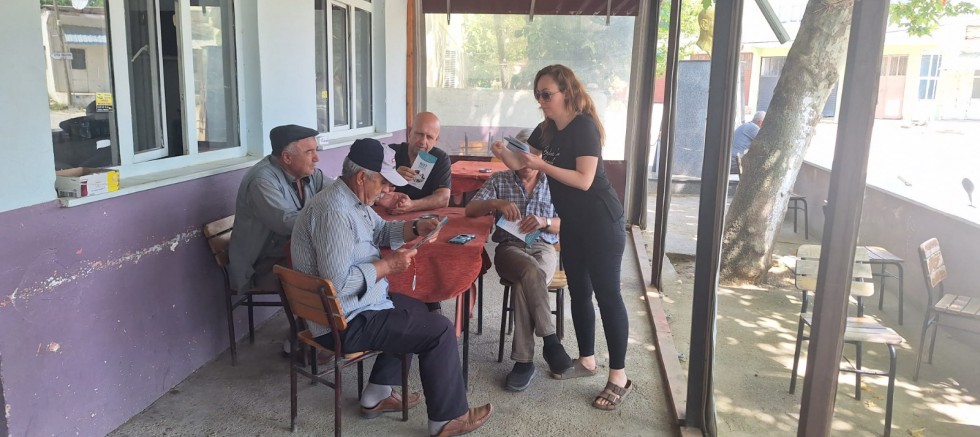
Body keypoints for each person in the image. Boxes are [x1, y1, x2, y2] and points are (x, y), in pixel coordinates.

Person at [290, 138, 493, 437]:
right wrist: (387, 266)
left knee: (419, 309)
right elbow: (338, 284)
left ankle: (377, 394)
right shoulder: (334, 211)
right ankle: (448, 419)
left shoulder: (353, 200)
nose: (387, 190)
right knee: (438, 330)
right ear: (362, 177)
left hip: (354, 309)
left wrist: (416, 227)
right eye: (383, 182)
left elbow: (381, 229)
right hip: (342, 323)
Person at [492, 64, 632, 411]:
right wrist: (502, 153)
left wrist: (542, 166)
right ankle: (587, 360)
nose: (541, 101)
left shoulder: (583, 127)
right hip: (573, 224)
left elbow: (584, 180)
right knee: (580, 293)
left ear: (566, 93)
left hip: (602, 222)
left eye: (546, 94)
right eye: (537, 95)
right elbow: (523, 164)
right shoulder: (546, 129)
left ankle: (619, 377)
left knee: (608, 297)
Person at [464, 141, 571, 392]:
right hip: (509, 249)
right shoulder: (499, 180)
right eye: (520, 157)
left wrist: (544, 221)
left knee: (527, 280)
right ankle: (550, 340)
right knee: (529, 272)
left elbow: (567, 222)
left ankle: (524, 362)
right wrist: (496, 204)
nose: (526, 163)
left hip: (543, 248)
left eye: (532, 157)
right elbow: (470, 209)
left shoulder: (553, 183)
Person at [228, 124, 328, 293]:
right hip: (260, 267)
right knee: (329, 272)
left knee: (338, 259)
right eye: (309, 152)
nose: (316, 158)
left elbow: (339, 193)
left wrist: (375, 196)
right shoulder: (262, 181)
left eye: (316, 150)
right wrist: (330, 218)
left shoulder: (308, 173)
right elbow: (286, 224)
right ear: (287, 157)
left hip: (289, 253)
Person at [379, 112, 452, 214]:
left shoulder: (440, 158)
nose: (423, 141)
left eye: (429, 137)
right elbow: (369, 187)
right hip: (384, 214)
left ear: (436, 140)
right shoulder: (390, 152)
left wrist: (412, 205)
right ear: (410, 133)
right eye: (419, 134)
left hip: (422, 216)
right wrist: (391, 178)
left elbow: (444, 198)